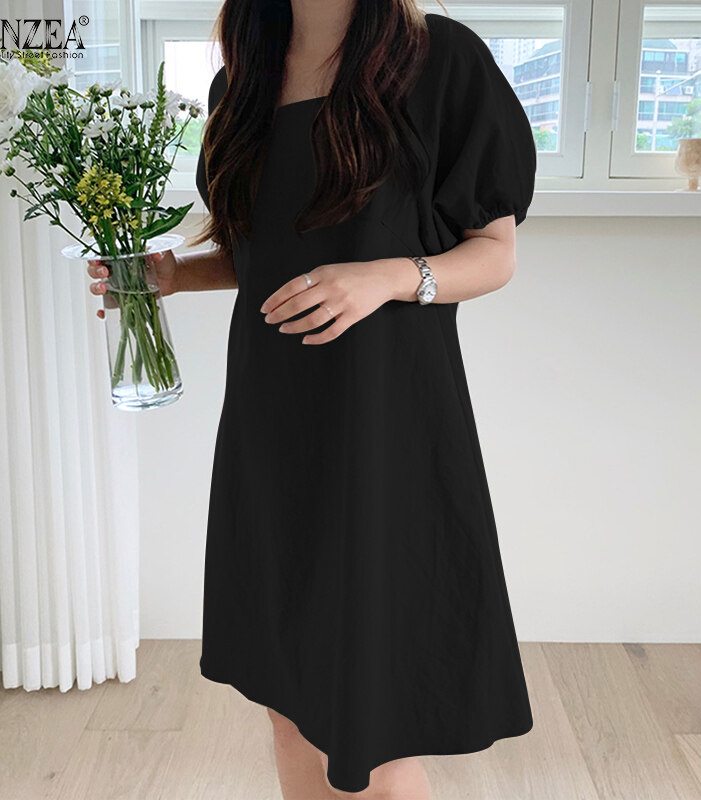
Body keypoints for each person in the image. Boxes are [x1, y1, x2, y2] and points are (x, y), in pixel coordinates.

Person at [88, 1, 537, 797]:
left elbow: (494, 253)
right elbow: (257, 253)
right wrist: (170, 276)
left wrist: (389, 276)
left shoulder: (439, 59)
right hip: (272, 424)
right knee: (288, 699)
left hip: (386, 427)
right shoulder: (243, 81)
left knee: (377, 721)